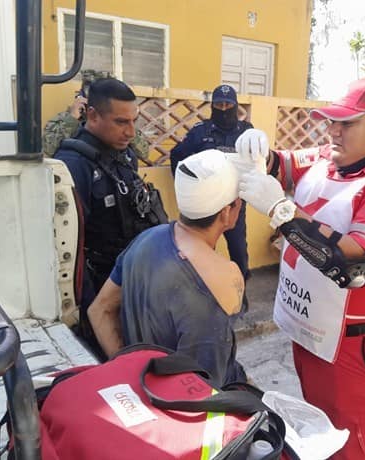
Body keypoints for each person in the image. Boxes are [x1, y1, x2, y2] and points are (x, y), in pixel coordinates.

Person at [235, 79, 365, 459]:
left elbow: (353, 265)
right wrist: (255, 151)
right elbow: (280, 166)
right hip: (313, 331)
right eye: (332, 121)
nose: (333, 131)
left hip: (358, 346)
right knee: (320, 429)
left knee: (352, 441)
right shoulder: (329, 158)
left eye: (347, 123)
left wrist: (282, 211)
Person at [88, 150, 247, 386]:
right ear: (225, 212)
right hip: (194, 410)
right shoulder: (225, 277)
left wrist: (131, 375)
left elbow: (99, 311)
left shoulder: (145, 239)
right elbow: (207, 389)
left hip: (149, 393)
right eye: (238, 202)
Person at [54, 78, 167, 353]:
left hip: (132, 277)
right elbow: (69, 247)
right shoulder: (73, 164)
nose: (131, 132)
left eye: (133, 121)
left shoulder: (125, 154)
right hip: (100, 286)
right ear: (92, 115)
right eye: (120, 122)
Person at [170, 84, 253, 295]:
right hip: (206, 205)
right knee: (204, 250)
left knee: (238, 250)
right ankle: (205, 292)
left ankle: (240, 292)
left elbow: (258, 161)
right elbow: (177, 157)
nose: (223, 109)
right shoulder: (200, 132)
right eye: (218, 104)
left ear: (235, 106)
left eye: (228, 104)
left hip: (234, 203)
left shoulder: (247, 132)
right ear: (212, 106)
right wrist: (186, 188)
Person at [42, 69, 152, 162]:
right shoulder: (66, 121)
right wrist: (71, 119)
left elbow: (144, 153)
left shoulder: (123, 123)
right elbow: (46, 153)